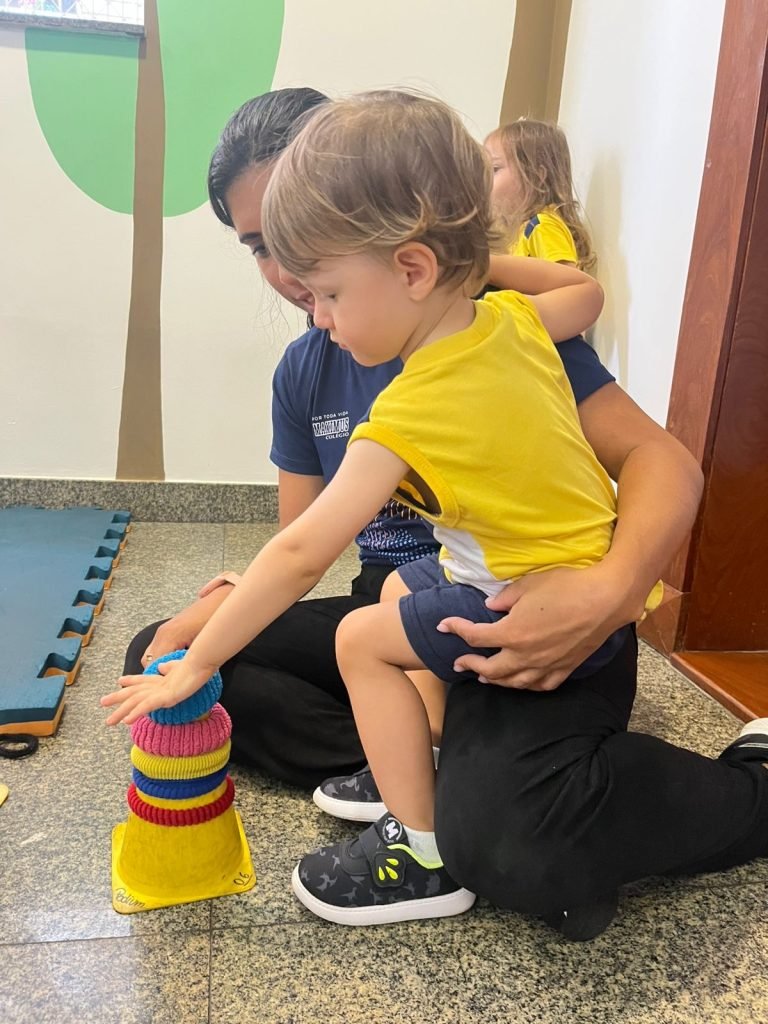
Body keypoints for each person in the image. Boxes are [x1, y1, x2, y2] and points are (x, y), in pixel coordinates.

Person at [106, 91, 768, 943]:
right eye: (266, 249)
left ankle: (451, 827)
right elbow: (298, 540)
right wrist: (221, 616)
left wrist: (611, 589)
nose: (310, 303)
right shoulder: (504, 321)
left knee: (365, 657)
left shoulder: (417, 396)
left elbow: (306, 550)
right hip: (453, 574)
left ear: (408, 261)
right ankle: (434, 771)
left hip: (536, 602)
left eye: (325, 281)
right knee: (195, 644)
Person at [484, 118, 596, 271]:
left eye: (494, 169)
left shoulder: (541, 227)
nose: (484, 177)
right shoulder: (522, 232)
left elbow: (569, 282)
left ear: (535, 177)